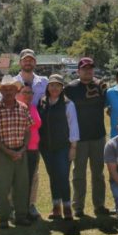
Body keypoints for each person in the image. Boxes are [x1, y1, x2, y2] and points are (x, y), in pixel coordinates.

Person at [64, 57, 111, 217]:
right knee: (79, 174)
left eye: (90, 68)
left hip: (98, 136)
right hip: (79, 138)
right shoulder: (70, 88)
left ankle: (99, 205)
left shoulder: (101, 86)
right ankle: (78, 207)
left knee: (98, 173)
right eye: (84, 68)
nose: (88, 71)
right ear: (78, 71)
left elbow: (110, 102)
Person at [0, 74, 33, 229]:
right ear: (1, 91)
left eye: (11, 89)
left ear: (16, 90)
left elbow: (28, 131)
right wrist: (7, 151)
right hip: (2, 154)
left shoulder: (23, 107)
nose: (8, 92)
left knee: (22, 186)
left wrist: (23, 148)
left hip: (20, 153)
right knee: (2, 188)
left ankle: (21, 216)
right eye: (5, 89)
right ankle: (3, 219)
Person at [38, 74, 80, 220]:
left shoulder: (68, 104)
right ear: (48, 87)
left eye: (57, 85)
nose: (54, 88)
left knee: (63, 177)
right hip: (46, 148)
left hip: (63, 147)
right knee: (53, 176)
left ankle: (67, 207)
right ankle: (56, 207)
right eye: (52, 85)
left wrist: (73, 147)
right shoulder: (42, 102)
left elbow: (73, 126)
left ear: (62, 88)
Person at [14, 48, 48, 219]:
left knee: (33, 174)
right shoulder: (13, 82)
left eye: (31, 59)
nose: (28, 62)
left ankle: (31, 204)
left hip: (36, 133)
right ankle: (14, 206)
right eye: (25, 59)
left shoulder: (44, 82)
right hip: (15, 134)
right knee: (15, 173)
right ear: (20, 62)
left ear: (35, 62)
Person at [18, 84, 42, 219]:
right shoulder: (17, 108)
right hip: (21, 148)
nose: (28, 95)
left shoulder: (33, 107)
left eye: (30, 93)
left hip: (34, 148)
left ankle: (30, 205)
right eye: (25, 92)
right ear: (19, 94)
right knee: (19, 179)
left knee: (33, 178)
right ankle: (16, 206)